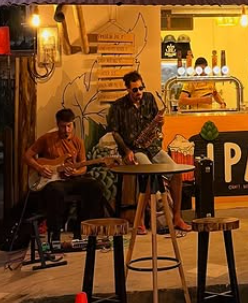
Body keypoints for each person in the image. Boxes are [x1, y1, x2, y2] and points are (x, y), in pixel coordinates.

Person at [106, 71, 191, 231]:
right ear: (127, 89)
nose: (139, 92)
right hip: (134, 149)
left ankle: (177, 217)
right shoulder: (118, 107)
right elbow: (115, 132)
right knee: (149, 173)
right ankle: (140, 220)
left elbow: (156, 124)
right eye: (135, 90)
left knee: (176, 173)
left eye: (141, 88)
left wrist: (160, 123)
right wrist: (127, 151)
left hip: (152, 147)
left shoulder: (149, 98)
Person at [25, 107, 107, 243]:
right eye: (63, 126)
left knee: (96, 186)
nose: (67, 130)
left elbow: (83, 166)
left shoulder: (78, 141)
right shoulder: (47, 139)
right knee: (55, 191)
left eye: (69, 126)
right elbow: (28, 155)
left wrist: (76, 172)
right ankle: (55, 234)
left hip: (72, 180)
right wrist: (39, 168)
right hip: (54, 181)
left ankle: (80, 227)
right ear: (58, 124)